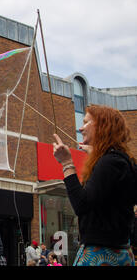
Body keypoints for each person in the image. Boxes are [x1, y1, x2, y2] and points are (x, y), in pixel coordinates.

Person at [53, 105, 136, 266]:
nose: (80, 127)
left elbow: (82, 204)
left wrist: (67, 163)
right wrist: (98, 155)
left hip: (101, 256)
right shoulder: (122, 161)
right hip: (122, 254)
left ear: (101, 126)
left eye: (86, 122)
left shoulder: (110, 162)